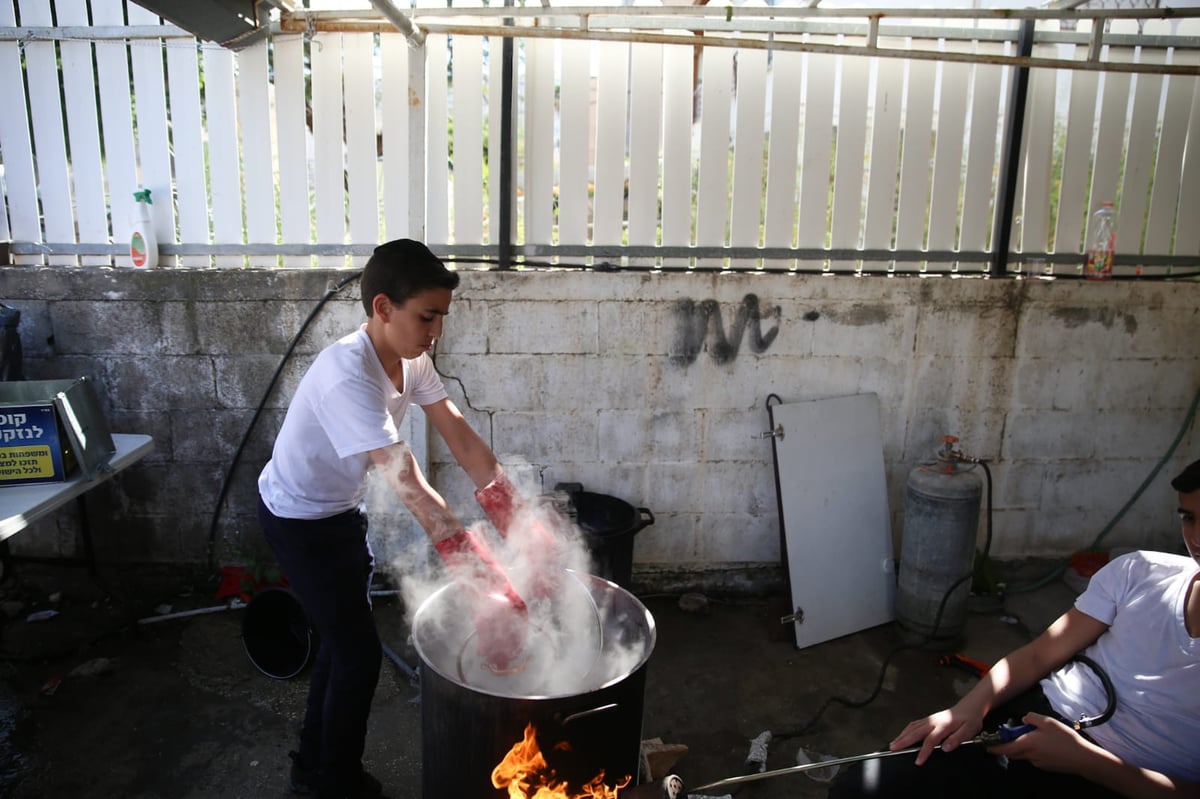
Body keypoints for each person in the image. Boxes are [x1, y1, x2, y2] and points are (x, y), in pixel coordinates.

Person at [257, 239, 556, 799]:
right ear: (382, 308)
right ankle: (335, 783)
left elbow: (459, 436)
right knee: (357, 655)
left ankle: (311, 767)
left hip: (340, 513)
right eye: (426, 316)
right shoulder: (347, 374)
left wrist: (515, 514)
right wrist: (482, 578)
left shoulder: (411, 360)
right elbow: (409, 484)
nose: (435, 331)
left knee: (337, 644)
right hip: (297, 520)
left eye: (441, 316)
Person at [830, 457, 1200, 799]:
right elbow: (1040, 653)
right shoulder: (1140, 572)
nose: (1197, 537)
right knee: (858, 788)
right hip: (1033, 719)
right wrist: (969, 708)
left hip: (1122, 778)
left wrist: (1086, 760)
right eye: (1189, 518)